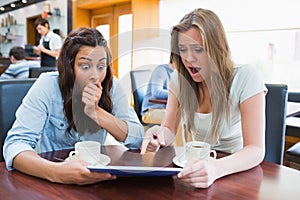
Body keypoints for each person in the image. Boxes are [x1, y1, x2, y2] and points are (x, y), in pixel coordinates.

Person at [140, 8, 266, 188]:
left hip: (236, 171)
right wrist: (158, 136)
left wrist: (215, 169)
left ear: (216, 48)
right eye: (183, 49)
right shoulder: (178, 80)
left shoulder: (246, 76)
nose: (189, 58)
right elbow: (168, 129)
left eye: (198, 49)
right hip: (198, 170)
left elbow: (255, 150)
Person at [3, 27, 144, 185]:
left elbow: (138, 138)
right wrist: (56, 172)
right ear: (69, 66)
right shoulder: (47, 85)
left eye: (101, 66)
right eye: (85, 66)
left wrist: (96, 112)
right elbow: (15, 144)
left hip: (96, 179)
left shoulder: (111, 86)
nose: (95, 76)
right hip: (50, 180)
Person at [141, 56, 174, 124]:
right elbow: (156, 92)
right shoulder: (161, 70)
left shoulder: (179, 74)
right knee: (179, 118)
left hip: (165, 109)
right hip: (151, 111)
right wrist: (178, 94)